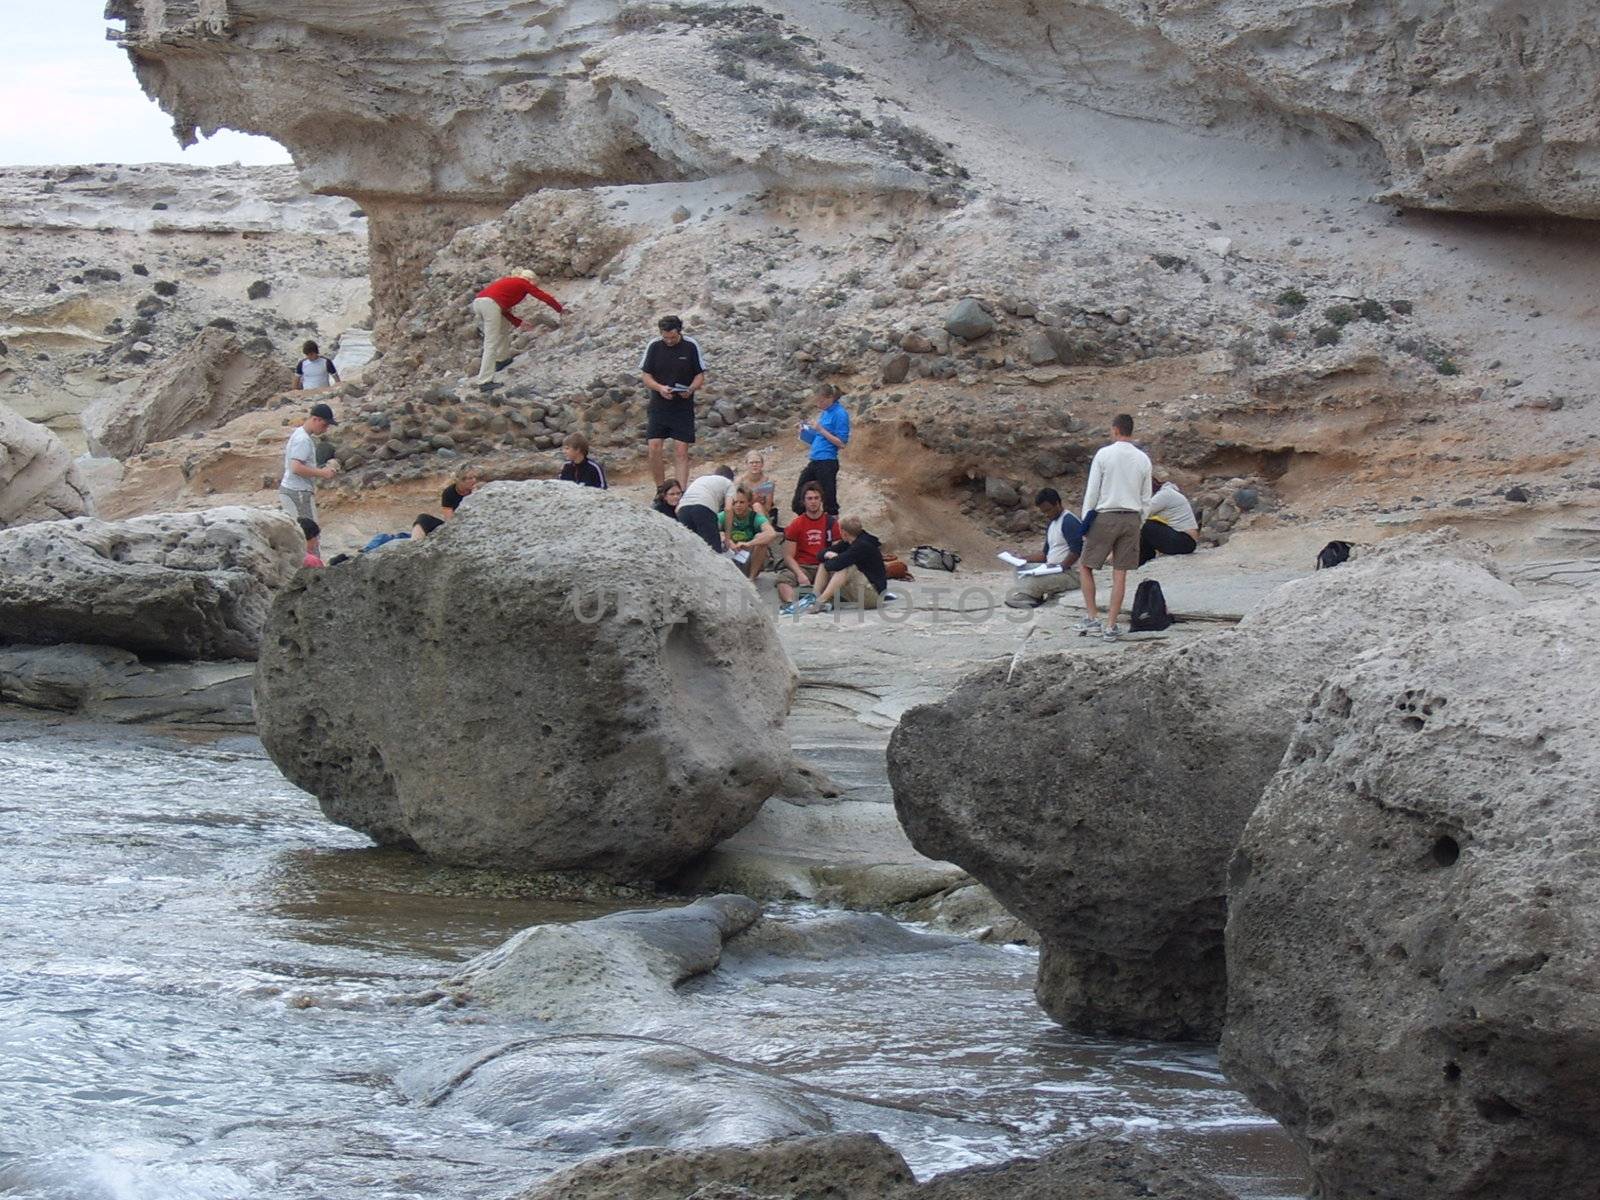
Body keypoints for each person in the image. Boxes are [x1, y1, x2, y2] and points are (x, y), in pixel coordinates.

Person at [1077, 413, 1153, 641]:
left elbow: (1092, 492)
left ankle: (1092, 617)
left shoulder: (1104, 454)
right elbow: (1146, 497)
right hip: (1131, 518)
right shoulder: (1143, 459)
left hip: (1105, 516)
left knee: (1086, 566)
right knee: (1120, 573)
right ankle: (1111, 625)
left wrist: (1085, 522)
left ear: (1116, 430)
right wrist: (1140, 520)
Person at [639, 315, 706, 491]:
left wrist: (690, 389)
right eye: (665, 337)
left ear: (679, 332)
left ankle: (680, 492)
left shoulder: (691, 346)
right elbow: (646, 376)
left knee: (681, 449)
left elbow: (700, 375)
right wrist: (660, 388)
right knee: (654, 447)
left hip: (682, 405)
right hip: (659, 404)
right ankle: (661, 490)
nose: (669, 341)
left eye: (673, 337)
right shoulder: (654, 346)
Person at [472, 269, 564, 384]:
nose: (534, 286)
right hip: (489, 305)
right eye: (535, 283)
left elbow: (501, 308)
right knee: (491, 342)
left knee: (502, 329)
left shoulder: (510, 282)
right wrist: (560, 309)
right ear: (530, 279)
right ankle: (484, 381)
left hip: (479, 303)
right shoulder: (523, 283)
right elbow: (543, 296)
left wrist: (518, 322)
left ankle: (502, 359)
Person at [1005, 489, 1084, 609]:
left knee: (1036, 579)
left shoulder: (1069, 521)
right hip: (1053, 568)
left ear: (1057, 504)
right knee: (1019, 569)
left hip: (1070, 573)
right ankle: (1031, 595)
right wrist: (1023, 559)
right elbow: (1044, 554)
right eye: (1044, 512)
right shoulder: (1052, 524)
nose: (1047, 514)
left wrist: (1061, 567)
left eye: (1048, 510)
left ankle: (1030, 596)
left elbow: (1077, 550)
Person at [803, 516, 890, 613]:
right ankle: (815, 597)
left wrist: (835, 558)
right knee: (824, 563)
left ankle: (820, 602)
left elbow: (836, 565)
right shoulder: (849, 541)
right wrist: (828, 555)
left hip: (874, 596)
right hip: (861, 588)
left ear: (844, 532)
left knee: (846, 568)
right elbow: (820, 556)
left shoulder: (863, 545)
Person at [777, 482, 840, 613]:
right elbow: (788, 556)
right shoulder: (796, 524)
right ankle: (791, 605)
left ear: (821, 500)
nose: (813, 502)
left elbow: (837, 550)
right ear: (803, 502)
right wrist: (800, 574)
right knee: (783, 579)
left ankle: (823, 601)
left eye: (816, 498)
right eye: (809, 498)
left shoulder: (831, 523)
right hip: (803, 566)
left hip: (824, 565)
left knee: (839, 575)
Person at [791, 385, 849, 517]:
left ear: (830, 398)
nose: (818, 404)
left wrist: (821, 429)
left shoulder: (840, 413)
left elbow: (842, 443)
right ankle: (808, 523)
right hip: (815, 460)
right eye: (817, 401)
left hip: (827, 462)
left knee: (829, 500)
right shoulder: (825, 413)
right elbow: (817, 440)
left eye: (821, 401)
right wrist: (803, 432)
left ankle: (832, 532)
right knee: (799, 498)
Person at [279, 402, 338, 522]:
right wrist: (323, 473)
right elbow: (296, 467)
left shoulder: (300, 433)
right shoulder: (303, 440)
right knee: (310, 533)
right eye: (325, 425)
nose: (326, 429)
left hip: (293, 489)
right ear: (315, 419)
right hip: (297, 491)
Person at [719, 486, 780, 579]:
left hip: (747, 558)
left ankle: (751, 579)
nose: (738, 505)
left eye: (742, 502)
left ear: (749, 503)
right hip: (729, 555)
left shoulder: (755, 517)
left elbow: (772, 533)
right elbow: (710, 527)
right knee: (720, 535)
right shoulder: (725, 515)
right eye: (735, 502)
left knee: (761, 541)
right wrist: (727, 540)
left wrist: (749, 543)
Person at [676, 466, 737, 553]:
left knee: (689, 551)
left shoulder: (701, 479)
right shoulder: (729, 483)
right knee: (713, 551)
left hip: (683, 510)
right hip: (704, 509)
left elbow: (677, 508)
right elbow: (728, 508)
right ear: (731, 478)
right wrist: (727, 538)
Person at [1140, 477, 1199, 565]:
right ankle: (1144, 556)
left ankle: (1143, 555)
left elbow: (1142, 513)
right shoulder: (1168, 492)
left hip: (1185, 541)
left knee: (1144, 524)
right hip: (1185, 540)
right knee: (1147, 525)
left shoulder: (1165, 495)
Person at [361, 513, 444, 553]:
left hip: (428, 538)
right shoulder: (450, 492)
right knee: (382, 537)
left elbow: (451, 522)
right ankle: (365, 552)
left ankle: (366, 554)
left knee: (424, 518)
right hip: (419, 535)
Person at [743, 450, 778, 522]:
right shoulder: (740, 482)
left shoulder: (767, 482)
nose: (754, 465)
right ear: (746, 464)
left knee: (757, 506)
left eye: (757, 462)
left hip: (761, 512)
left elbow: (768, 506)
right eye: (751, 463)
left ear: (762, 464)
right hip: (744, 511)